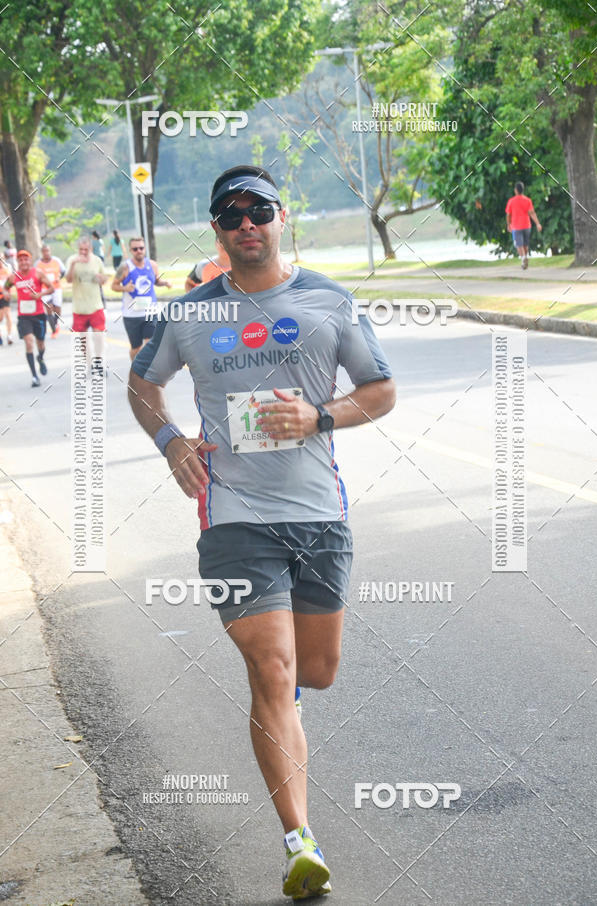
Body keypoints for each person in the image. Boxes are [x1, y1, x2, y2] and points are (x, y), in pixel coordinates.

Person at [128, 164, 396, 900]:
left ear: (283, 219)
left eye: (260, 210)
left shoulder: (328, 302)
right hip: (234, 518)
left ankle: (288, 718)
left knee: (314, 672)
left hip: (318, 515)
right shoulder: (188, 314)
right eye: (231, 214)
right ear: (216, 230)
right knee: (271, 668)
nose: (247, 223)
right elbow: (141, 384)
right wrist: (173, 442)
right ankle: (299, 840)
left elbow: (381, 389)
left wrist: (321, 416)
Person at [111, 237, 172, 360]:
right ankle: (135, 368)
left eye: (141, 248)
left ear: (145, 249)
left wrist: (165, 283)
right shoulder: (124, 267)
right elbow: (113, 286)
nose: (138, 251)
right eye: (135, 249)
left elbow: (156, 281)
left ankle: (147, 372)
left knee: (150, 344)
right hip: (131, 315)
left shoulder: (153, 265)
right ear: (130, 250)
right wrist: (125, 288)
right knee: (136, 348)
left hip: (151, 312)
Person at [4, 250, 54, 386]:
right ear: (18, 263)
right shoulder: (14, 277)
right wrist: (5, 293)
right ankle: (34, 377)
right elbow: (5, 287)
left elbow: (51, 288)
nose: (23, 262)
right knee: (29, 342)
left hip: (38, 314)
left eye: (26, 259)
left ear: (30, 261)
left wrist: (40, 294)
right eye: (20, 260)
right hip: (24, 316)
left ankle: (41, 358)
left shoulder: (38, 273)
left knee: (40, 344)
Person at [65, 237, 109, 373]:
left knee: (99, 336)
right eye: (81, 249)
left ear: (91, 248)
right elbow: (68, 279)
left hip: (95, 305)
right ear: (78, 249)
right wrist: (73, 265)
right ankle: (90, 365)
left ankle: (99, 361)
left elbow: (105, 278)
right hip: (79, 308)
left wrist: (102, 278)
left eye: (86, 249)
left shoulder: (97, 260)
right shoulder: (72, 260)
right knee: (83, 340)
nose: (83, 252)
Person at [506, 181, 542, 269]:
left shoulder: (511, 201)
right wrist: (537, 223)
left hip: (516, 226)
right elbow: (532, 213)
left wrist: (509, 224)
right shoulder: (527, 200)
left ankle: (523, 258)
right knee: (525, 244)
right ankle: (525, 257)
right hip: (527, 225)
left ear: (515, 190)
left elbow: (508, 215)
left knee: (519, 244)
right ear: (523, 190)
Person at [35, 244, 65, 338]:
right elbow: (35, 276)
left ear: (50, 251)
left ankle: (55, 322)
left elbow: (63, 271)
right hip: (45, 289)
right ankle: (53, 330)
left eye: (47, 251)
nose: (46, 253)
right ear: (42, 252)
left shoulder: (56, 261)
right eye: (44, 251)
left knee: (57, 309)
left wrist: (59, 277)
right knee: (49, 307)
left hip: (56, 288)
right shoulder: (38, 264)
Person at [0, 255, 14, 345]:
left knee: (8, 314)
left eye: (1, 259)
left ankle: (9, 336)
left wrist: (8, 291)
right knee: (0, 318)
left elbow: (11, 281)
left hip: (5, 295)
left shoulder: (8, 268)